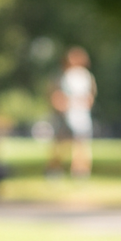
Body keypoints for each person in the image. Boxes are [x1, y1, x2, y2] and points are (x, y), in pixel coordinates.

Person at [48, 47, 97, 178]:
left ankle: (80, 171)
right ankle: (55, 171)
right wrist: (62, 106)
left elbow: (90, 98)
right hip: (63, 116)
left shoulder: (86, 77)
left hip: (80, 116)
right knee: (60, 145)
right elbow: (55, 96)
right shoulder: (62, 76)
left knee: (81, 145)